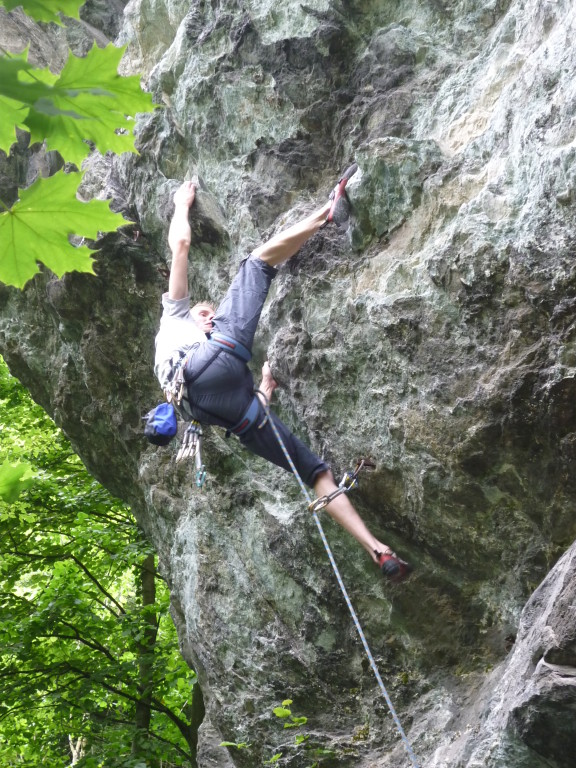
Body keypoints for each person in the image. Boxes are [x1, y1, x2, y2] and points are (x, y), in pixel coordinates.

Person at [154, 168, 412, 582]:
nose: (214, 316)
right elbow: (180, 244)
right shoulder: (176, 314)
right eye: (208, 313)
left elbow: (251, 416)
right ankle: (329, 210)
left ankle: (378, 550)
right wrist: (180, 204)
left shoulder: (175, 357)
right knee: (256, 264)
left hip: (210, 410)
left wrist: (267, 387)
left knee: (315, 473)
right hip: (206, 369)